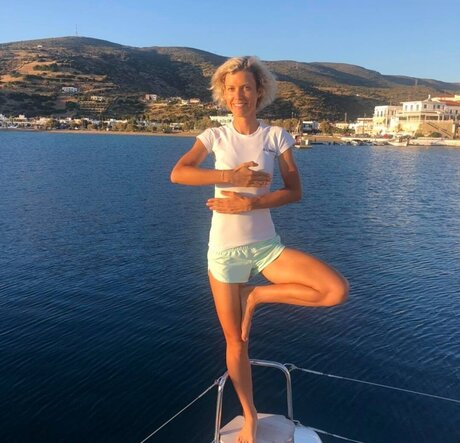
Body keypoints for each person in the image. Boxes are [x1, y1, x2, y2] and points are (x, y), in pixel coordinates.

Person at [170, 56, 348, 443]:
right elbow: (179, 173)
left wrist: (251, 202)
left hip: (266, 246)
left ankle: (256, 295)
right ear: (223, 94)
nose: (239, 95)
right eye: (232, 89)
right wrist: (228, 176)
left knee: (335, 290)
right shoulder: (214, 136)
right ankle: (249, 415)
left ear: (259, 91)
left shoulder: (276, 136)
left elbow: (294, 191)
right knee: (236, 342)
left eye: (246, 88)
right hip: (224, 252)